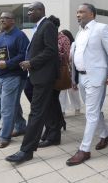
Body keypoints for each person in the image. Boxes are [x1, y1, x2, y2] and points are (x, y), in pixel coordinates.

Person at [5, 1, 59, 163]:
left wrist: (31, 62)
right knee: (50, 107)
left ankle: (26, 150)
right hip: (37, 75)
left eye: (31, 10)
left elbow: (51, 51)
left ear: (41, 10)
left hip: (43, 76)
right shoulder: (39, 26)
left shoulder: (47, 25)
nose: (28, 13)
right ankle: (54, 136)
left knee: (35, 113)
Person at [66, 3, 108, 166]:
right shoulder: (79, 33)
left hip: (96, 77)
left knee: (90, 112)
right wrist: (74, 79)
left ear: (92, 14)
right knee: (93, 110)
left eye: (81, 11)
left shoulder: (101, 28)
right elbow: (76, 57)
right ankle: (105, 134)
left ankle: (84, 149)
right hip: (82, 78)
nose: (78, 15)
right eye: (77, 12)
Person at [0, 12, 29, 148]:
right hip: (0, 76)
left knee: (6, 107)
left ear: (12, 21)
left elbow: (24, 54)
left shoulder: (20, 36)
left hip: (14, 76)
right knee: (13, 104)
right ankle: (21, 126)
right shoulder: (0, 36)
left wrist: (9, 63)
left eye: (5, 18)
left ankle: (4, 136)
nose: (2, 20)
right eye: (0, 18)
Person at [38, 16, 68, 147]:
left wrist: (52, 52)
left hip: (58, 74)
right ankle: (55, 126)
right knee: (52, 102)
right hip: (47, 74)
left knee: (52, 102)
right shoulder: (49, 36)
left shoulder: (63, 38)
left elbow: (66, 56)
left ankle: (54, 129)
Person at [58, 29, 83, 116]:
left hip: (71, 72)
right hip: (64, 71)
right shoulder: (60, 44)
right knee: (62, 91)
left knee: (73, 91)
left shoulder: (74, 45)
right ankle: (62, 110)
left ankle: (77, 108)